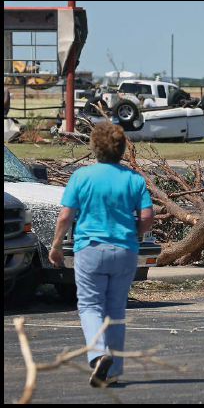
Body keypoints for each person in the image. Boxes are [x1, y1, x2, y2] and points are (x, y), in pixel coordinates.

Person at [49, 122, 154, 387]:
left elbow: (65, 216)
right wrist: (137, 233)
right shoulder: (134, 178)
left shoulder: (81, 177)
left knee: (89, 306)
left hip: (90, 249)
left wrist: (57, 245)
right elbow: (146, 217)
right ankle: (114, 371)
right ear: (122, 148)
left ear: (94, 147)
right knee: (115, 309)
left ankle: (99, 356)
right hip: (125, 250)